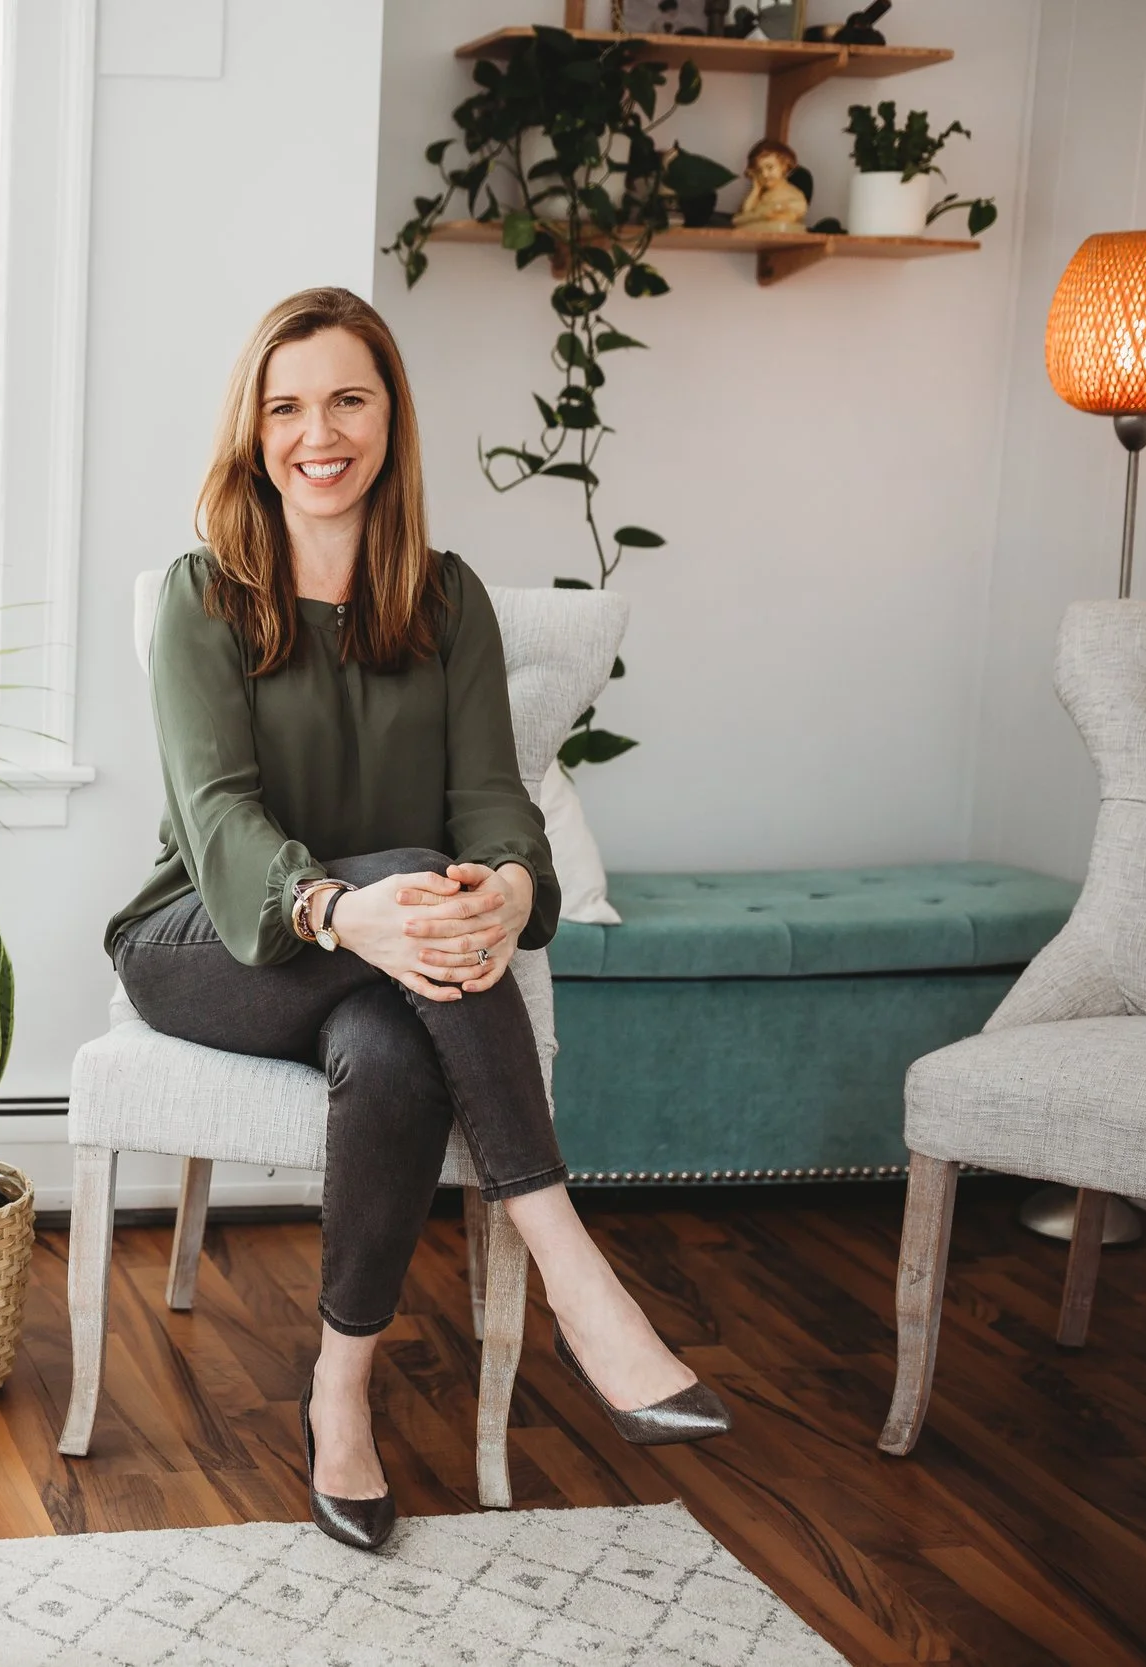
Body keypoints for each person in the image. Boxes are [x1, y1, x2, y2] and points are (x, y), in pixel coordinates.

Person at [104, 287, 729, 1553]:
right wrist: (350, 906)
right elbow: (218, 825)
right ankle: (573, 1264)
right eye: (285, 406)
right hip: (203, 944)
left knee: (394, 1045)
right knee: (402, 870)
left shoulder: (446, 603)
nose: (316, 432)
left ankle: (339, 1397)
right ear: (252, 431)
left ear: (390, 420)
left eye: (347, 398)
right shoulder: (201, 594)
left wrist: (501, 890)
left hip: (389, 965)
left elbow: (499, 813)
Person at [732, 137, 810, 232]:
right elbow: (744, 218)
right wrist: (755, 190)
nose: (764, 174)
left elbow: (789, 217)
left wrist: (765, 215)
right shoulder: (759, 196)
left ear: (784, 166)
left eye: (770, 167)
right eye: (759, 171)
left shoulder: (794, 195)